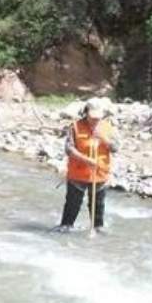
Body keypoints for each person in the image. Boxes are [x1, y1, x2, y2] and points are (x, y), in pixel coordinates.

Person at [53, 98, 118, 233]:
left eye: (98, 118)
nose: (96, 120)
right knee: (73, 203)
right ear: (86, 113)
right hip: (78, 173)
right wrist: (86, 160)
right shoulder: (75, 127)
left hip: (100, 173)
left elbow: (115, 148)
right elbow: (69, 149)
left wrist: (104, 139)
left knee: (98, 204)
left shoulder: (108, 127)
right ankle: (66, 226)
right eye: (92, 117)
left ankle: (97, 228)